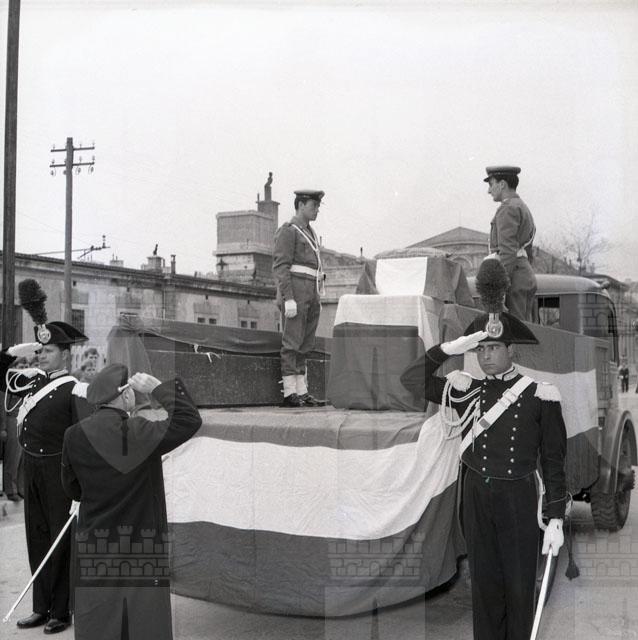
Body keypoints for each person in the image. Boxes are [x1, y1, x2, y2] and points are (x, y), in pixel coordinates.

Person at [400, 313, 567, 640]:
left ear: (511, 350)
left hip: (518, 499)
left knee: (519, 587)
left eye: (494, 347)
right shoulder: (467, 391)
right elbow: (410, 379)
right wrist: (448, 349)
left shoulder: (540, 395)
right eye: (480, 349)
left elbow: (553, 461)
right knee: (484, 587)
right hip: (477, 498)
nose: (486, 356)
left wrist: (556, 518)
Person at [61, 364, 202, 640]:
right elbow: (188, 420)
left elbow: (72, 489)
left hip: (96, 541)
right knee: (144, 623)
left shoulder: (73, 435)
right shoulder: (138, 431)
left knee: (100, 622)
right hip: (141, 542)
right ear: (126, 395)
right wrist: (158, 388)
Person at [0, 321, 90, 634]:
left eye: (48, 350)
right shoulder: (33, 381)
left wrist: (80, 485)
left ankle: (61, 611)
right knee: (37, 538)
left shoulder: (75, 388)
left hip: (58, 472)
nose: (41, 356)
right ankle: (41, 607)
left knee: (59, 541)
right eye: (40, 351)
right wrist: (13, 352)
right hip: (32, 468)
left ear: (65, 355)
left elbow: (83, 438)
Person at [272, 189, 326, 407]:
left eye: (318, 206)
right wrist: (288, 298)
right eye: (314, 206)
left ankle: (302, 391)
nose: (317, 210)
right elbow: (281, 266)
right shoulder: (289, 230)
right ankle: (289, 392)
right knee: (292, 342)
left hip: (311, 292)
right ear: (301, 205)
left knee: (306, 342)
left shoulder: (310, 232)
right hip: (296, 291)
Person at [484, 166, 537, 322]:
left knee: (513, 330)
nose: (489, 190)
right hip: (523, 273)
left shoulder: (508, 209)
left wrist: (499, 289)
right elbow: (527, 249)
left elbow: (507, 251)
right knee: (523, 328)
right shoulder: (520, 206)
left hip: (513, 277)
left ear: (502, 184)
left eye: (491, 184)